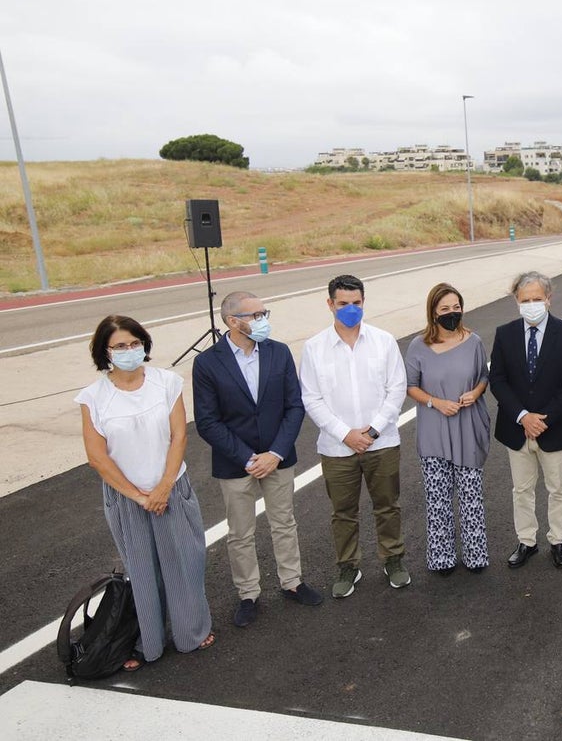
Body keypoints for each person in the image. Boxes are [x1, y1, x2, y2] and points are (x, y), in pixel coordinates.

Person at [76, 315, 214, 671]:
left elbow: (179, 436)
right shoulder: (93, 397)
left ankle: (191, 633)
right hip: (127, 498)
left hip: (171, 489)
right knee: (142, 570)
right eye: (120, 346)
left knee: (185, 563)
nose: (130, 351)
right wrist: (140, 496)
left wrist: (164, 486)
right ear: (104, 352)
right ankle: (145, 642)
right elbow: (97, 457)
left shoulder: (166, 382)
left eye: (135, 343)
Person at [193, 291, 323, 628]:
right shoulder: (207, 363)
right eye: (256, 315)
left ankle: (292, 582)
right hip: (236, 463)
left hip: (278, 457)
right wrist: (250, 458)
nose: (263, 320)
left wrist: (275, 453)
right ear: (232, 322)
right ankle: (248, 594)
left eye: (265, 312)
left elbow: (294, 405)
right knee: (240, 532)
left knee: (284, 523)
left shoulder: (278, 352)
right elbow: (207, 421)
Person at [299, 274, 410, 598]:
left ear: (364, 302)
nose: (351, 309)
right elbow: (311, 398)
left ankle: (394, 560)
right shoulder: (315, 348)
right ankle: (348, 565)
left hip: (382, 443)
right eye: (344, 304)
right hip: (337, 448)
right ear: (330, 303)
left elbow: (396, 389)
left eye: (357, 303)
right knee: (343, 512)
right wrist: (345, 434)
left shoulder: (384, 341)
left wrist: (372, 430)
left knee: (387, 506)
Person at [489, 271, 562, 569]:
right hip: (517, 429)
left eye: (537, 299)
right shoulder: (504, 334)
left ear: (548, 299)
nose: (531, 304)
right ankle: (526, 541)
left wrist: (544, 419)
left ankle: (558, 540)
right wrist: (522, 416)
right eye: (525, 299)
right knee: (521, 490)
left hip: (554, 428)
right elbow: (498, 380)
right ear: (516, 301)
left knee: (558, 490)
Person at [405, 283, 492, 575]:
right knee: (437, 499)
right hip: (434, 431)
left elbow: (483, 376)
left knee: (471, 497)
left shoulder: (474, 341)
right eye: (445, 309)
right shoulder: (419, 346)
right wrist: (435, 403)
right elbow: (410, 387)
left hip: (468, 429)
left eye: (456, 307)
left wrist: (477, 392)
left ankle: (475, 555)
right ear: (433, 312)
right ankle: (441, 557)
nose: (451, 313)